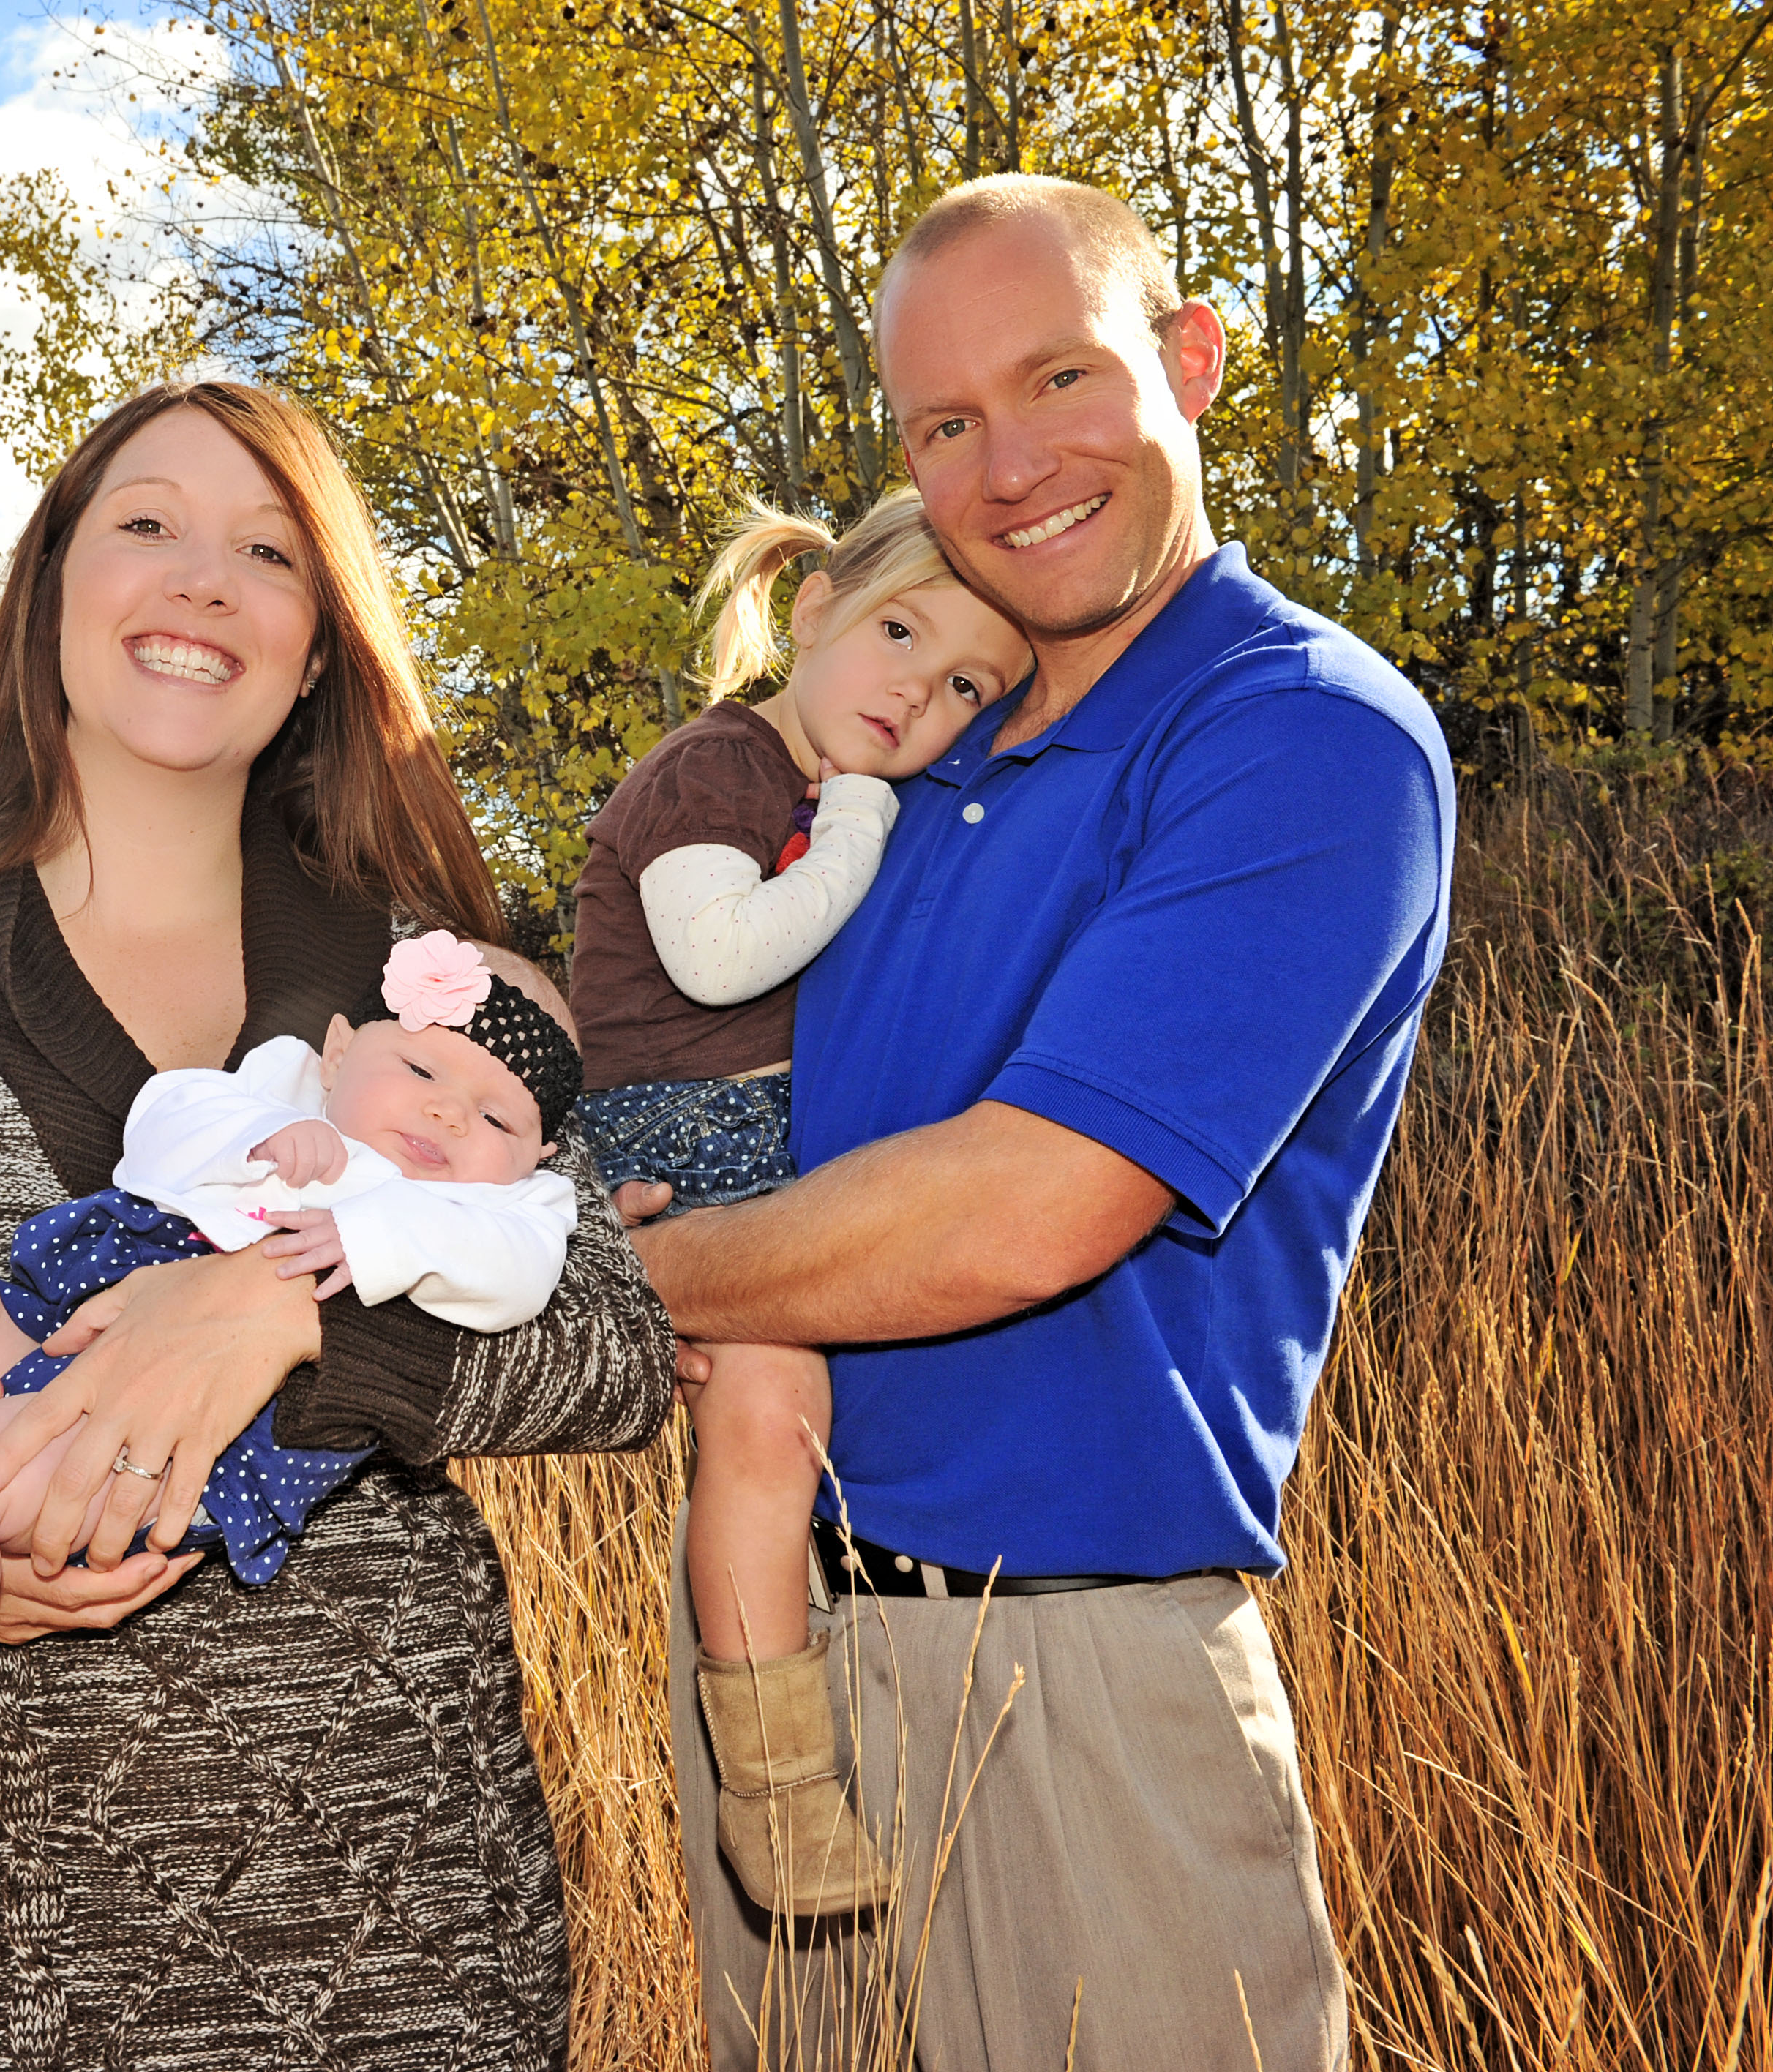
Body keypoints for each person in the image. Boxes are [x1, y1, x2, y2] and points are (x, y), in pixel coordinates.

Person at [0, 378, 676, 2065]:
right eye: (146, 524)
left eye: (269, 553)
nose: (203, 580)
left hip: (409, 1911)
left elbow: (612, 1348)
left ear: (317, 649)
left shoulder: (430, 976)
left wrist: (294, 1323)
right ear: (54, 592)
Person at [621, 175, 1454, 2071]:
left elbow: (1027, 1209)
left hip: (1070, 1670)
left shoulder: (1296, 736)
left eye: (1060, 377)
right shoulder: (911, 772)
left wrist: (642, 1274)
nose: (1010, 466)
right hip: (778, 1665)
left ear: (1190, 361)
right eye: (945, 424)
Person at [0, 931, 583, 1832]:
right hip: (52, 1336)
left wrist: (373, 1242)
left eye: (498, 1119)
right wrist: (267, 1136)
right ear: (339, 1051)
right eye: (420, 1074)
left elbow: (527, 1279)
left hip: (192, 1448)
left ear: (538, 1156)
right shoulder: (281, 1089)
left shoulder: (502, 1208)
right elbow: (160, 1123)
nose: (450, 1116)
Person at [569, 487, 1027, 1917]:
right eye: (900, 633)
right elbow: (715, 959)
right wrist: (854, 834)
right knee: (767, 1430)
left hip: (768, 1128)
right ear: (813, 608)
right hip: (690, 1135)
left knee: (803, 1424)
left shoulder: (809, 782)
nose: (919, 689)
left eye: (965, 683)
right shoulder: (715, 771)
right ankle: (776, 1796)